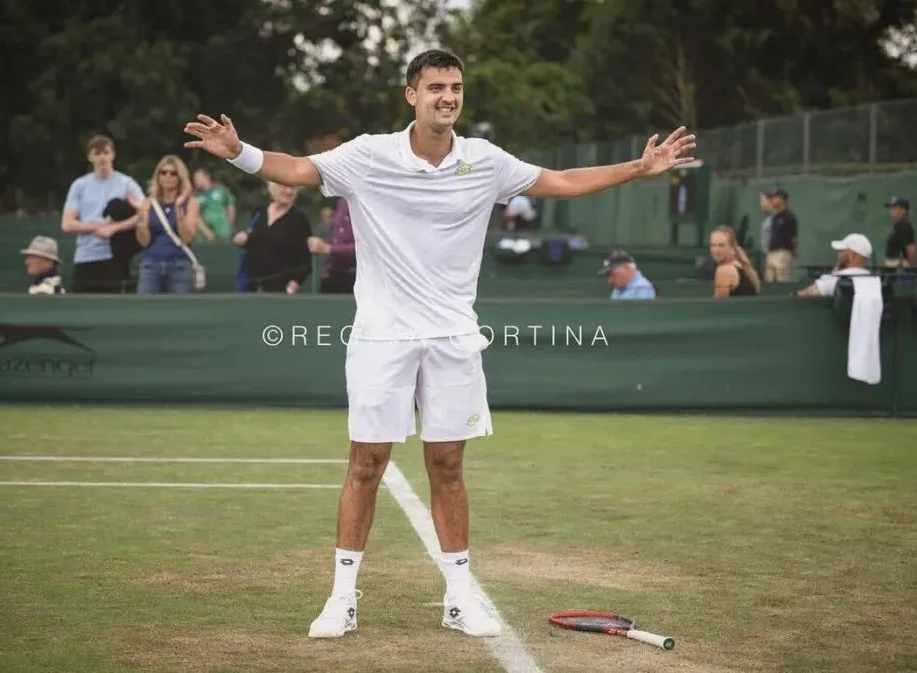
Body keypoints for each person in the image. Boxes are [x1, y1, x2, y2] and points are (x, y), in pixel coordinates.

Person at [182, 48, 695, 640]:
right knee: (365, 464)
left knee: (448, 465)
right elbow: (296, 169)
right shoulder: (368, 155)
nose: (447, 97)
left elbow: (561, 182)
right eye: (435, 88)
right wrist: (239, 154)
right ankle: (342, 598)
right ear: (411, 95)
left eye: (455, 87)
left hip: (453, 338)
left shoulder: (486, 161)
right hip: (381, 336)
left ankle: (458, 598)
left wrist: (638, 167)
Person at [61, 135, 144, 293]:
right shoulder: (80, 185)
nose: (102, 158)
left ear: (113, 154)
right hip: (85, 256)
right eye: (97, 154)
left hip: (113, 257)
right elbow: (67, 224)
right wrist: (101, 226)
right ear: (90, 157)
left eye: (105, 153)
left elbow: (144, 214)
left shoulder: (126, 184)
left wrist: (114, 228)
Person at [134, 155, 199, 294]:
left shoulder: (191, 203)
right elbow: (143, 241)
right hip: (151, 263)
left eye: (173, 173)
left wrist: (178, 209)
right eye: (163, 172)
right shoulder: (148, 203)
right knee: (145, 309)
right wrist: (141, 220)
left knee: (178, 312)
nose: (168, 176)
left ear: (180, 177)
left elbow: (187, 238)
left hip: (180, 264)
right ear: (158, 176)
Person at [232, 182, 312, 293]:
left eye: (292, 187)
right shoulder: (260, 211)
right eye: (284, 187)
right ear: (273, 188)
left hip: (279, 288)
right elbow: (254, 237)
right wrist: (242, 239)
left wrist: (294, 283)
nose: (288, 191)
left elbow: (305, 260)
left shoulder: (299, 219)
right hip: (251, 285)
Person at [797, 233, 873, 297]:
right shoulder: (874, 283)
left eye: (841, 251)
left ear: (851, 255)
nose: (838, 255)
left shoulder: (834, 280)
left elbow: (802, 295)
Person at [308, 197, 357, 294]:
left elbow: (367, 249)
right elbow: (336, 236)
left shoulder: (368, 206)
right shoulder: (341, 202)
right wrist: (327, 264)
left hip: (355, 277)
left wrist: (330, 249)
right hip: (332, 274)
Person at [709, 226, 761, 298]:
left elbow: (718, 305)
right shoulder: (741, 266)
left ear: (732, 248)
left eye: (721, 245)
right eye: (713, 245)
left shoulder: (725, 270)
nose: (716, 250)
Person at [762, 187, 798, 282]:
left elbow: (793, 237)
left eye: (775, 197)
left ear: (782, 199)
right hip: (771, 253)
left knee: (782, 281)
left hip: (783, 253)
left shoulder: (789, 217)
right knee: (769, 281)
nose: (772, 200)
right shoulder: (774, 217)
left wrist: (794, 252)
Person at [193, 168, 237, 243]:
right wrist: (206, 232)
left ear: (207, 177)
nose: (196, 181)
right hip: (204, 234)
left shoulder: (221, 189)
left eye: (198, 178)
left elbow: (230, 205)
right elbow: (195, 215)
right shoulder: (195, 196)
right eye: (194, 179)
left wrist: (229, 224)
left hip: (223, 232)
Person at [882, 196, 917, 268]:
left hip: (899, 267)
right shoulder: (897, 225)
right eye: (890, 208)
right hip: (892, 266)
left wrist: (915, 270)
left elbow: (911, 249)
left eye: (894, 208)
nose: (891, 210)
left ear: (903, 210)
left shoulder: (904, 226)